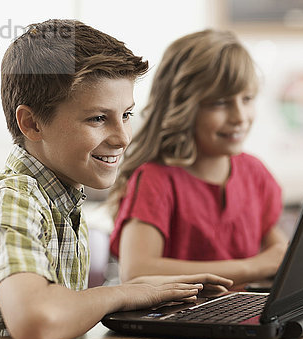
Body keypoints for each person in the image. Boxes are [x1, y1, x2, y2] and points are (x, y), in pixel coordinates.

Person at [0, 20, 232, 339]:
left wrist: (134, 288)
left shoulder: (61, 203)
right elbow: (37, 320)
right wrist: (122, 294)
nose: (122, 137)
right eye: (98, 118)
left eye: (126, 114)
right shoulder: (14, 199)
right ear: (31, 123)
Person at [108, 29, 287, 286]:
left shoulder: (254, 172)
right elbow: (136, 271)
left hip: (239, 318)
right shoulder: (155, 179)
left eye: (247, 99)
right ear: (182, 107)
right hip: (179, 321)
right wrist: (251, 267)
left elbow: (278, 258)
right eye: (220, 103)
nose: (239, 117)